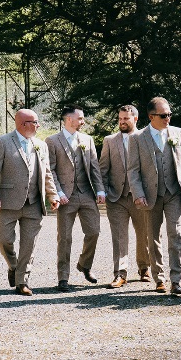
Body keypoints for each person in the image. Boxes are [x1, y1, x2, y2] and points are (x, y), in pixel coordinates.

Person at [0, 109, 60, 296]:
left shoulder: (41, 145)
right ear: (22, 124)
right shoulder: (2, 142)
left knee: (29, 244)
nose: (38, 125)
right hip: (8, 201)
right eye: (35, 122)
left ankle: (22, 281)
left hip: (34, 203)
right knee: (4, 239)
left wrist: (53, 195)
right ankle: (13, 265)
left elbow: (47, 173)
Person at [127, 97, 181, 295]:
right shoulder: (137, 138)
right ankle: (159, 278)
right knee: (153, 237)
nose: (168, 118)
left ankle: (176, 279)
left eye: (169, 114)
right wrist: (138, 194)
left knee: (176, 234)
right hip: (150, 195)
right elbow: (133, 170)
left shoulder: (179, 133)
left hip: (174, 192)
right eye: (164, 115)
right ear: (151, 116)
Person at [46, 105, 106, 292]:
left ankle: (84, 265)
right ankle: (63, 277)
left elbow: (94, 167)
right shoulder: (52, 141)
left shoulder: (87, 140)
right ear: (69, 119)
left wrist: (100, 190)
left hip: (86, 193)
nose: (83, 121)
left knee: (94, 232)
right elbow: (50, 170)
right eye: (80, 118)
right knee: (64, 237)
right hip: (66, 196)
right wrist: (58, 193)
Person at [99, 105, 151, 288]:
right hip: (116, 197)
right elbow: (103, 169)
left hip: (141, 197)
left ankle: (144, 267)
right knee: (119, 237)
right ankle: (120, 273)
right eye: (120, 119)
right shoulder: (110, 141)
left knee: (144, 234)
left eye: (126, 119)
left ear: (135, 119)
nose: (122, 122)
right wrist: (103, 190)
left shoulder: (145, 138)